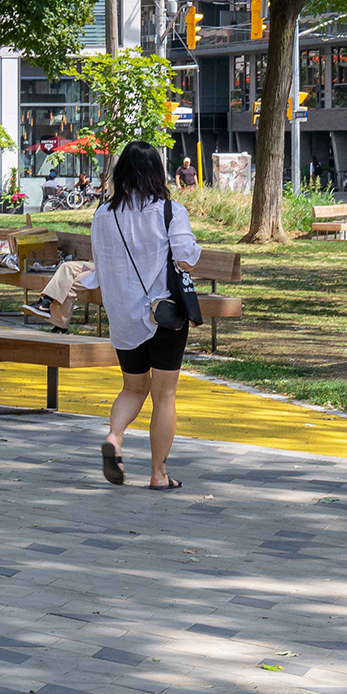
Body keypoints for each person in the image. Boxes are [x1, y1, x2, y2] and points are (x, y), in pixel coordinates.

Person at [79, 141, 201, 491]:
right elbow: (186, 257)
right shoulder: (168, 211)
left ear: (121, 173)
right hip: (163, 315)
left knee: (133, 387)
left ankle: (115, 437)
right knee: (164, 396)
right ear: (157, 173)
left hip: (122, 317)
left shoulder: (104, 214)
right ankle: (159, 474)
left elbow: (100, 266)